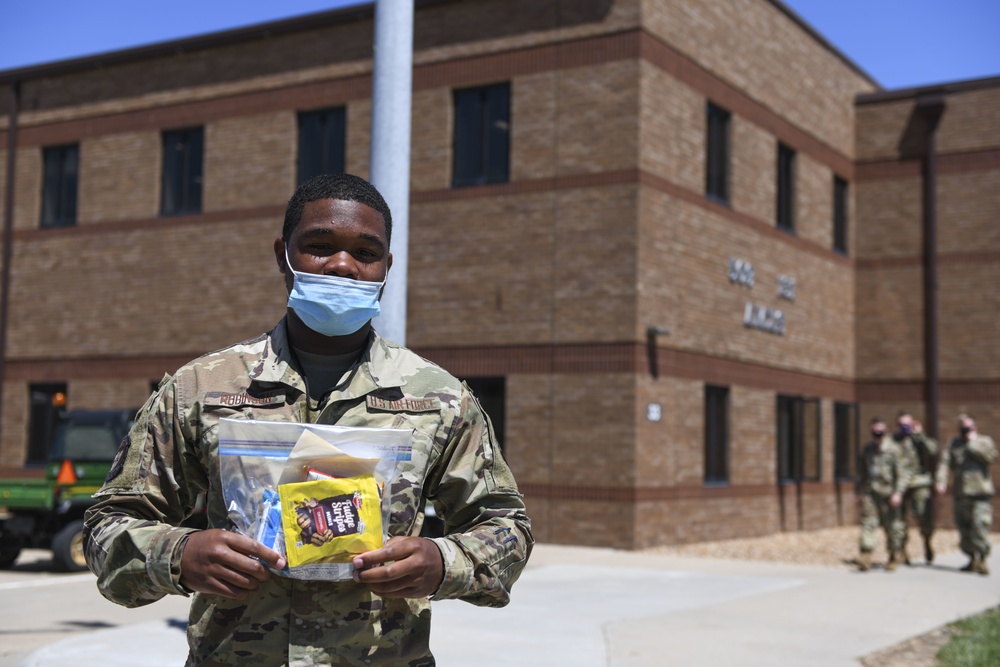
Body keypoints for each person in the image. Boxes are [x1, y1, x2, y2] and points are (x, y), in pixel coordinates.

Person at [83, 173, 533, 665]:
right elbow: (107, 527)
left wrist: (442, 563)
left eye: (365, 252)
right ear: (283, 255)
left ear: (386, 267)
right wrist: (178, 555)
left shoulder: (438, 398)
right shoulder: (199, 389)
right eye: (319, 246)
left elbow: (506, 527)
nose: (342, 265)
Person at [935, 414, 996, 575]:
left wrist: (972, 443)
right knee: (964, 528)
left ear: (975, 427)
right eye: (962, 427)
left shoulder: (984, 441)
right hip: (961, 493)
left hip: (980, 493)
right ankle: (972, 559)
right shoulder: (954, 443)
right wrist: (941, 481)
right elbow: (945, 462)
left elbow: (990, 458)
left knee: (980, 526)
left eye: (968, 427)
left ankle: (982, 559)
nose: (965, 430)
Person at [854, 417, 913, 572]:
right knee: (868, 523)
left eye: (880, 430)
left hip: (889, 494)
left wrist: (898, 493)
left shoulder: (894, 450)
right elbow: (861, 473)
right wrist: (858, 492)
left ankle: (893, 555)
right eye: (875, 431)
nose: (878, 433)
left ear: (886, 430)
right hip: (871, 493)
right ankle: (865, 555)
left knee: (893, 526)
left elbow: (903, 474)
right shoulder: (867, 450)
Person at [895, 412, 939, 564]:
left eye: (907, 424)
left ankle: (927, 541)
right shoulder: (894, 440)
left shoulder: (919, 439)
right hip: (900, 484)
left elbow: (933, 450)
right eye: (901, 424)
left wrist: (920, 434)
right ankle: (902, 550)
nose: (904, 427)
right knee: (898, 518)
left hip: (919, 482)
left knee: (922, 514)